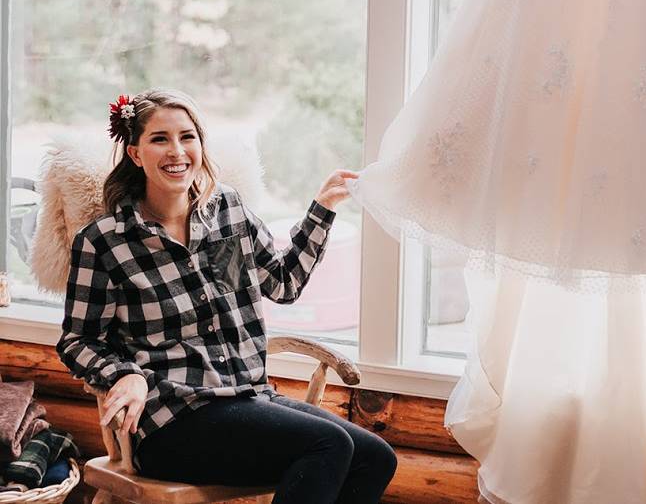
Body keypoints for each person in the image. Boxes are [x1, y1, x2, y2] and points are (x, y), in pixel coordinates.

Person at [56, 88, 397, 503]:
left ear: (200, 144)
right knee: (329, 444)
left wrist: (322, 207)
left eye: (188, 136)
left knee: (376, 457)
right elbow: (78, 340)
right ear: (135, 154)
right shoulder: (106, 242)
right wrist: (123, 375)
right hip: (173, 418)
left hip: (248, 398)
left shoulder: (227, 213)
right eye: (159, 139)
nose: (177, 151)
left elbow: (283, 284)